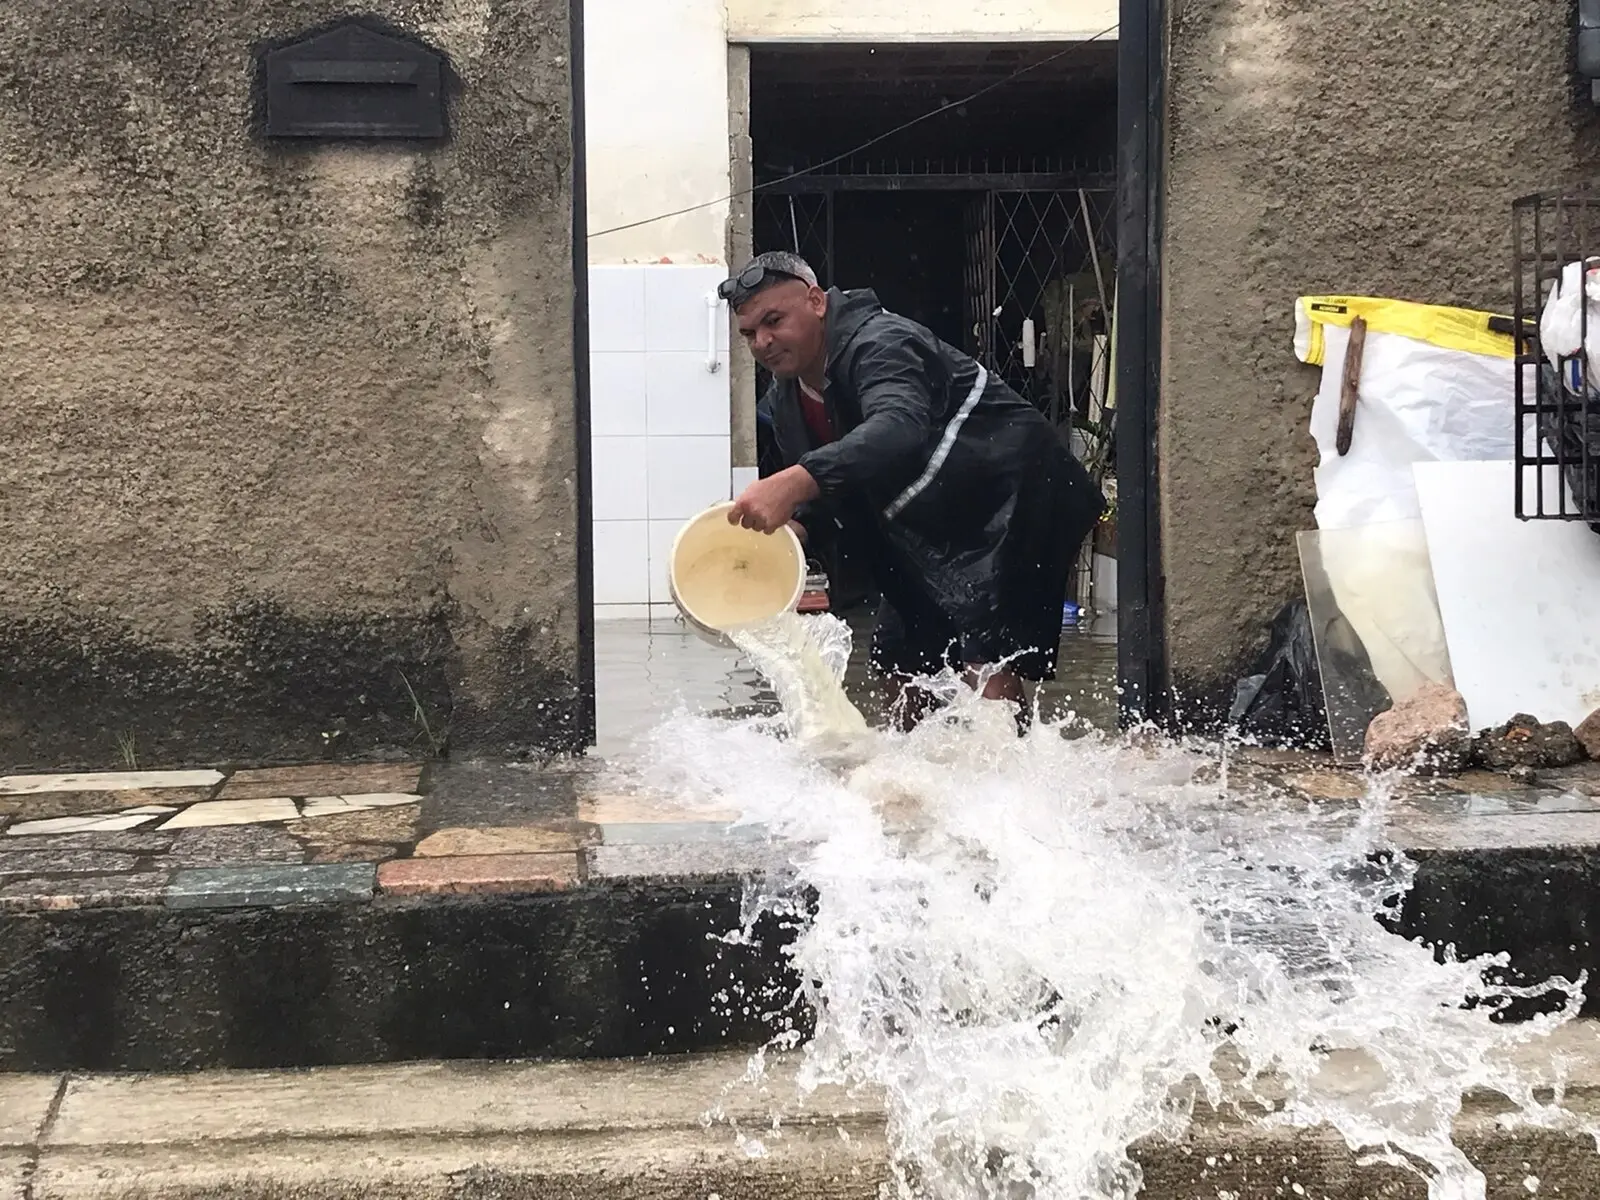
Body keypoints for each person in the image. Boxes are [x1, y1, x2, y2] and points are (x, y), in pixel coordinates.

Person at [721, 250, 1106, 731]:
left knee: (981, 652)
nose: (762, 341)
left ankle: (1011, 783)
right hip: (937, 519)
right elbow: (845, 493)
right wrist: (799, 528)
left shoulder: (883, 341)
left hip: (1015, 492)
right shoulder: (785, 404)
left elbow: (898, 428)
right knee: (898, 656)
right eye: (749, 333)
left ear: (817, 302)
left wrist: (795, 480)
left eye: (773, 320)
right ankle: (909, 785)